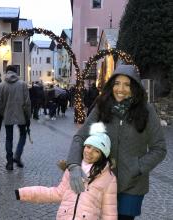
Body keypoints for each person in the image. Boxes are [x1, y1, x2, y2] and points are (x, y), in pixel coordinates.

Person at [66, 64, 167, 220]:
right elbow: (80, 137)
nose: (121, 89)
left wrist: (137, 167)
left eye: (127, 84)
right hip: (102, 181)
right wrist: (73, 165)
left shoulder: (146, 110)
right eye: (117, 83)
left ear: (135, 87)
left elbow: (159, 148)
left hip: (132, 186)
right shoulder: (102, 107)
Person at [15, 122, 117, 220]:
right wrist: (23, 193)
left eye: (97, 151)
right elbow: (56, 193)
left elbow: (109, 212)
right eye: (88, 146)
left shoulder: (108, 178)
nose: (89, 152)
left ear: (103, 155)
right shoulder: (73, 169)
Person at [0, 65, 31, 170]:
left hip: (7, 114)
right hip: (21, 114)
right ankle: (17, 155)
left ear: (7, 72)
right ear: (16, 72)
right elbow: (27, 102)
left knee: (9, 138)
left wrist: (3, 113)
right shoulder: (23, 84)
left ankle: (9, 162)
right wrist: (27, 116)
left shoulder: (1, 85)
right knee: (23, 135)